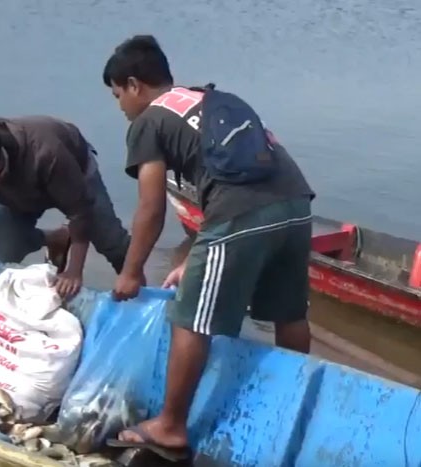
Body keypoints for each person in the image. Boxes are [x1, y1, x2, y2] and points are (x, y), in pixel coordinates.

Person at [101, 34, 316, 460]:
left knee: (190, 317)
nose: (119, 106)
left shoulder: (148, 122)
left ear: (134, 85)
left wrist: (130, 270)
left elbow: (150, 207)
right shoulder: (209, 98)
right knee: (289, 313)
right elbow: (236, 171)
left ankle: (169, 426)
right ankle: (294, 396)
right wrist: (198, 255)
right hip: (296, 205)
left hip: (241, 214)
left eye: (116, 95)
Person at [0, 116, 132, 299]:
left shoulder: (47, 155)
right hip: (19, 192)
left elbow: (81, 211)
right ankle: (58, 238)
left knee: (111, 242)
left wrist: (74, 271)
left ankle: (139, 292)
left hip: (74, 173)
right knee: (9, 247)